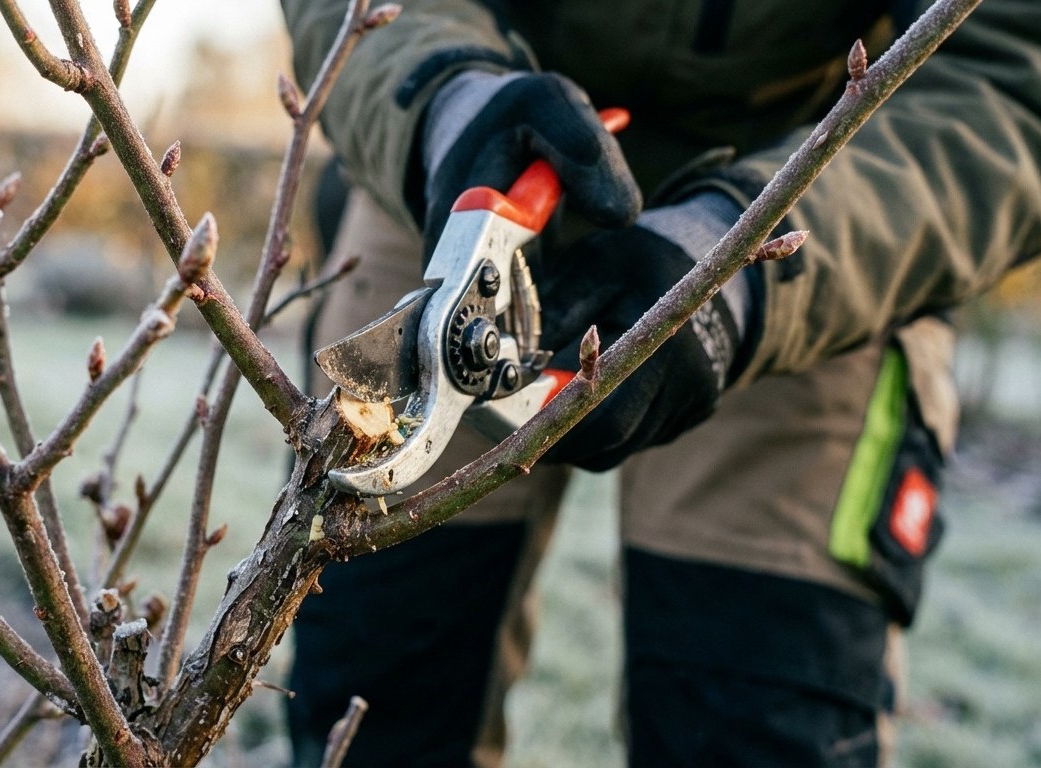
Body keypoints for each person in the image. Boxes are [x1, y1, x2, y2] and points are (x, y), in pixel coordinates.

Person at [280, 0, 1041, 765]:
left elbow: (1013, 81)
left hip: (826, 200)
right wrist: (443, 99)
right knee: (374, 692)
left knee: (755, 713)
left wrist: (734, 268)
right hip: (455, 164)